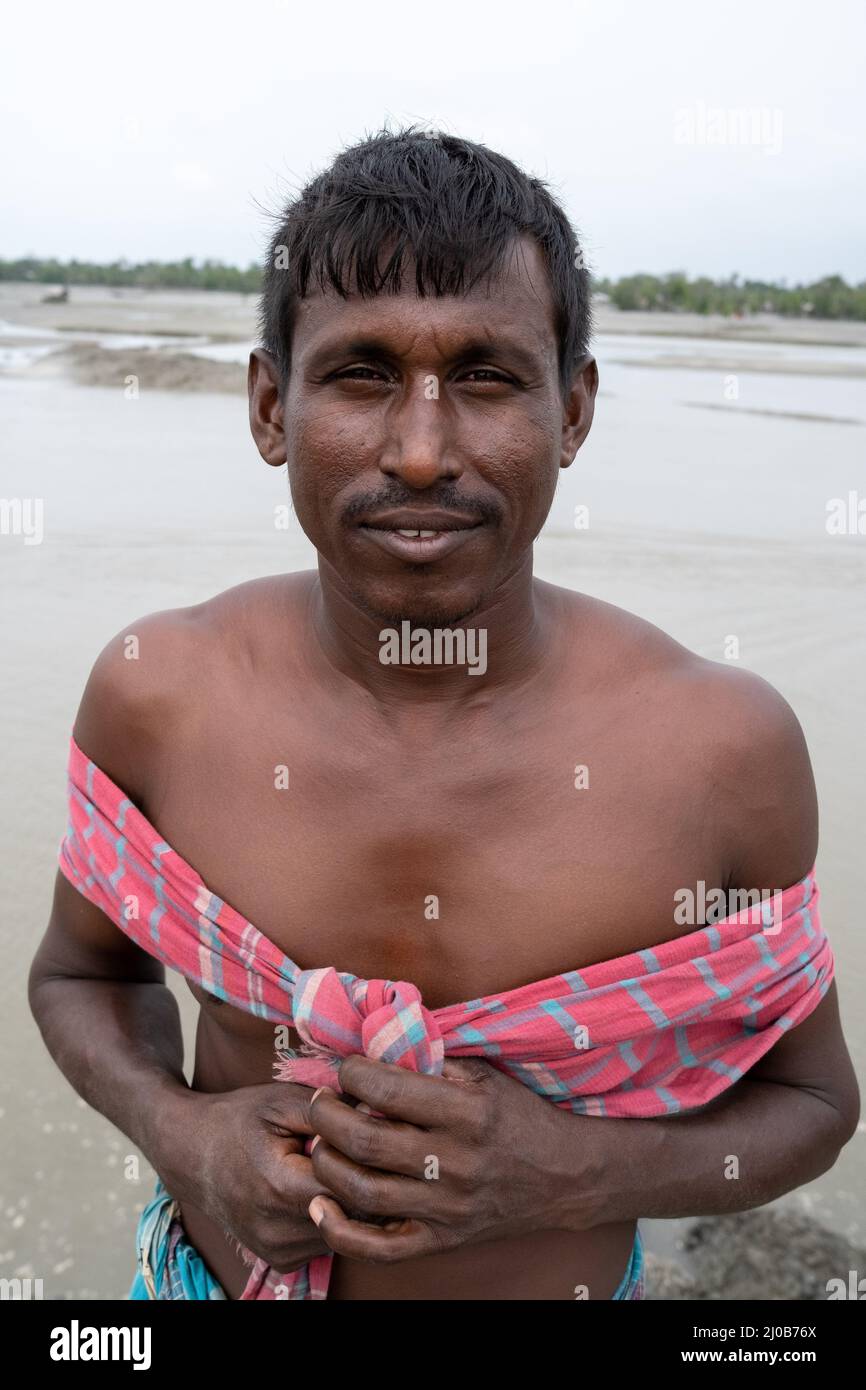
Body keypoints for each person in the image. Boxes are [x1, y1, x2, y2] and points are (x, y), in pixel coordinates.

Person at [29, 127, 858, 1301]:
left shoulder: (719, 750)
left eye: (485, 377)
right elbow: (81, 977)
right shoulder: (159, 691)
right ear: (271, 406)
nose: (421, 452)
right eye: (362, 373)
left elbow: (814, 1104)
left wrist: (566, 1173)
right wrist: (182, 1134)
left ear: (571, 411)